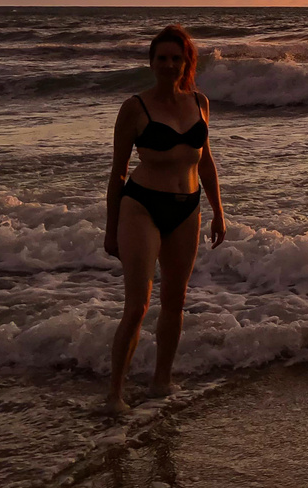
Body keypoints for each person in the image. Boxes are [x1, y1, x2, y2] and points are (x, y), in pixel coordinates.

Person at [103, 25, 225, 413]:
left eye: (176, 57)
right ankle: (115, 395)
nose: (169, 64)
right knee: (137, 305)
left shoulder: (200, 102)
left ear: (186, 61)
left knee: (175, 301)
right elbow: (118, 172)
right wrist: (111, 230)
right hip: (140, 207)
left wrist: (219, 211)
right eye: (162, 58)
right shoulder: (134, 108)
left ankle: (161, 382)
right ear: (151, 63)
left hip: (187, 207)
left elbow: (205, 161)